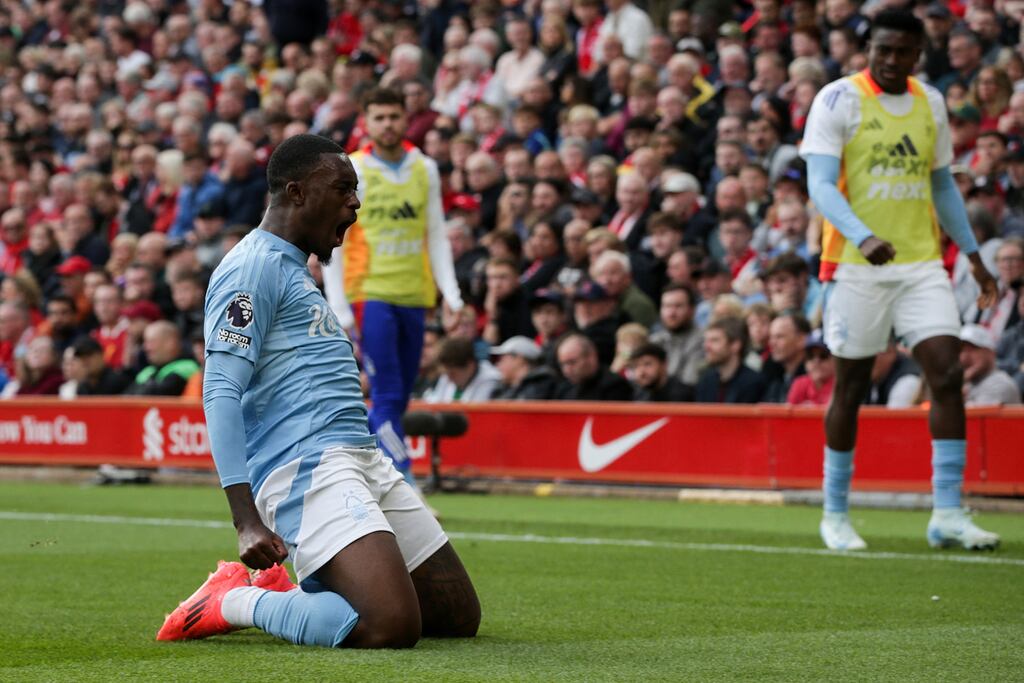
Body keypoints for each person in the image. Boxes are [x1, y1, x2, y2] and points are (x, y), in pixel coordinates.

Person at [158, 134, 480, 648]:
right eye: (344, 189)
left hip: (363, 458)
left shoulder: (294, 269)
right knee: (390, 626)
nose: (356, 203)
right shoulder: (252, 267)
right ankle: (233, 600)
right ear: (297, 193)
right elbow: (219, 392)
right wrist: (246, 519)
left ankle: (298, 588)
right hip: (306, 468)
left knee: (455, 616)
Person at [801, 9, 1000, 551]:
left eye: (903, 52)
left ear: (918, 54)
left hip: (919, 264)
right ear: (868, 49)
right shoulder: (837, 99)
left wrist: (975, 257)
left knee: (945, 373)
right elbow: (820, 185)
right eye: (882, 50)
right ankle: (835, 514)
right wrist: (861, 235)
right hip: (855, 266)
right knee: (851, 385)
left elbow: (942, 187)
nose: (892, 61)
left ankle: (948, 513)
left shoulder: (929, 101)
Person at [322, 88, 464, 486]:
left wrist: (451, 295)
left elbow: (435, 234)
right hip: (370, 293)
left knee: (399, 397)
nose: (387, 124)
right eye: (379, 117)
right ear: (366, 121)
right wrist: (340, 306)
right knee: (385, 393)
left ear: (405, 119)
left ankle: (363, 467)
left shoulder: (425, 169)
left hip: (414, 294)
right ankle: (404, 483)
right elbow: (336, 236)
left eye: (394, 116)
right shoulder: (355, 169)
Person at [694, 316, 766, 403]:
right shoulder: (706, 381)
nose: (706, 346)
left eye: (714, 340)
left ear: (735, 345)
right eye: (706, 341)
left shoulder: (754, 384)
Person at [555, 333, 633, 401]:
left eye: (572, 362)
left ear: (590, 357)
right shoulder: (564, 388)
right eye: (562, 364)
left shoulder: (615, 386)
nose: (566, 369)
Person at [424, 337, 502, 403]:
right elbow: (436, 403)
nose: (449, 379)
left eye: (453, 373)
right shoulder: (447, 376)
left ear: (470, 365)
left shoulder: (490, 379)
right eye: (446, 373)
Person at [959, 324, 1022, 406]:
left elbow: (974, 416)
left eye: (971, 350)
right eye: (960, 351)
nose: (963, 358)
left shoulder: (999, 384)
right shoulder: (969, 384)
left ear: (991, 353)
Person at [490, 335, 560, 400]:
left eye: (502, 359)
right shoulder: (502, 388)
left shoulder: (541, 384)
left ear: (519, 359)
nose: (498, 365)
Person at [630, 343, 694, 402]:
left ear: (664, 365)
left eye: (647, 364)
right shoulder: (639, 393)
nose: (641, 372)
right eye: (636, 366)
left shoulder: (682, 394)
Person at [787, 334, 836, 406]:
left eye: (823, 356)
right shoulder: (799, 383)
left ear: (835, 360)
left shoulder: (841, 387)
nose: (816, 361)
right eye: (810, 356)